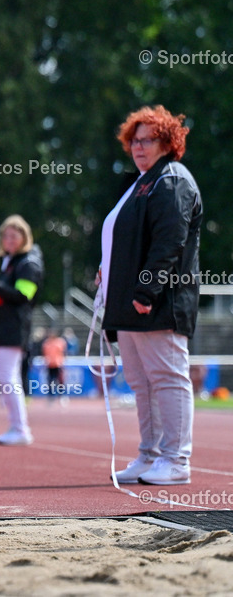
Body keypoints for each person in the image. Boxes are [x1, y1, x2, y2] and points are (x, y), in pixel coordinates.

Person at [99, 105, 201, 485]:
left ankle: (176, 459)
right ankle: (150, 455)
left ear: (169, 142)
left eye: (148, 140)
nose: (139, 147)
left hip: (158, 302)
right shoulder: (141, 182)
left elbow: (169, 242)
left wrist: (146, 290)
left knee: (168, 378)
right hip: (128, 301)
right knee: (142, 382)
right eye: (134, 140)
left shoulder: (171, 180)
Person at [0, 215, 43, 446]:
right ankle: (16, 426)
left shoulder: (28, 263)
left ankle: (20, 428)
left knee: (7, 377)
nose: (9, 240)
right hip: (4, 325)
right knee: (5, 377)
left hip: (14, 327)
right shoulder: (10, 262)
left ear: (24, 237)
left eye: (14, 235)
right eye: (5, 236)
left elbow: (22, 295)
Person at [41, 329, 67, 404]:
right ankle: (51, 396)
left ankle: (61, 395)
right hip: (50, 364)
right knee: (50, 381)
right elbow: (44, 353)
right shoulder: (47, 343)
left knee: (60, 380)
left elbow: (63, 352)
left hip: (58, 364)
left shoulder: (60, 342)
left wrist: (63, 361)